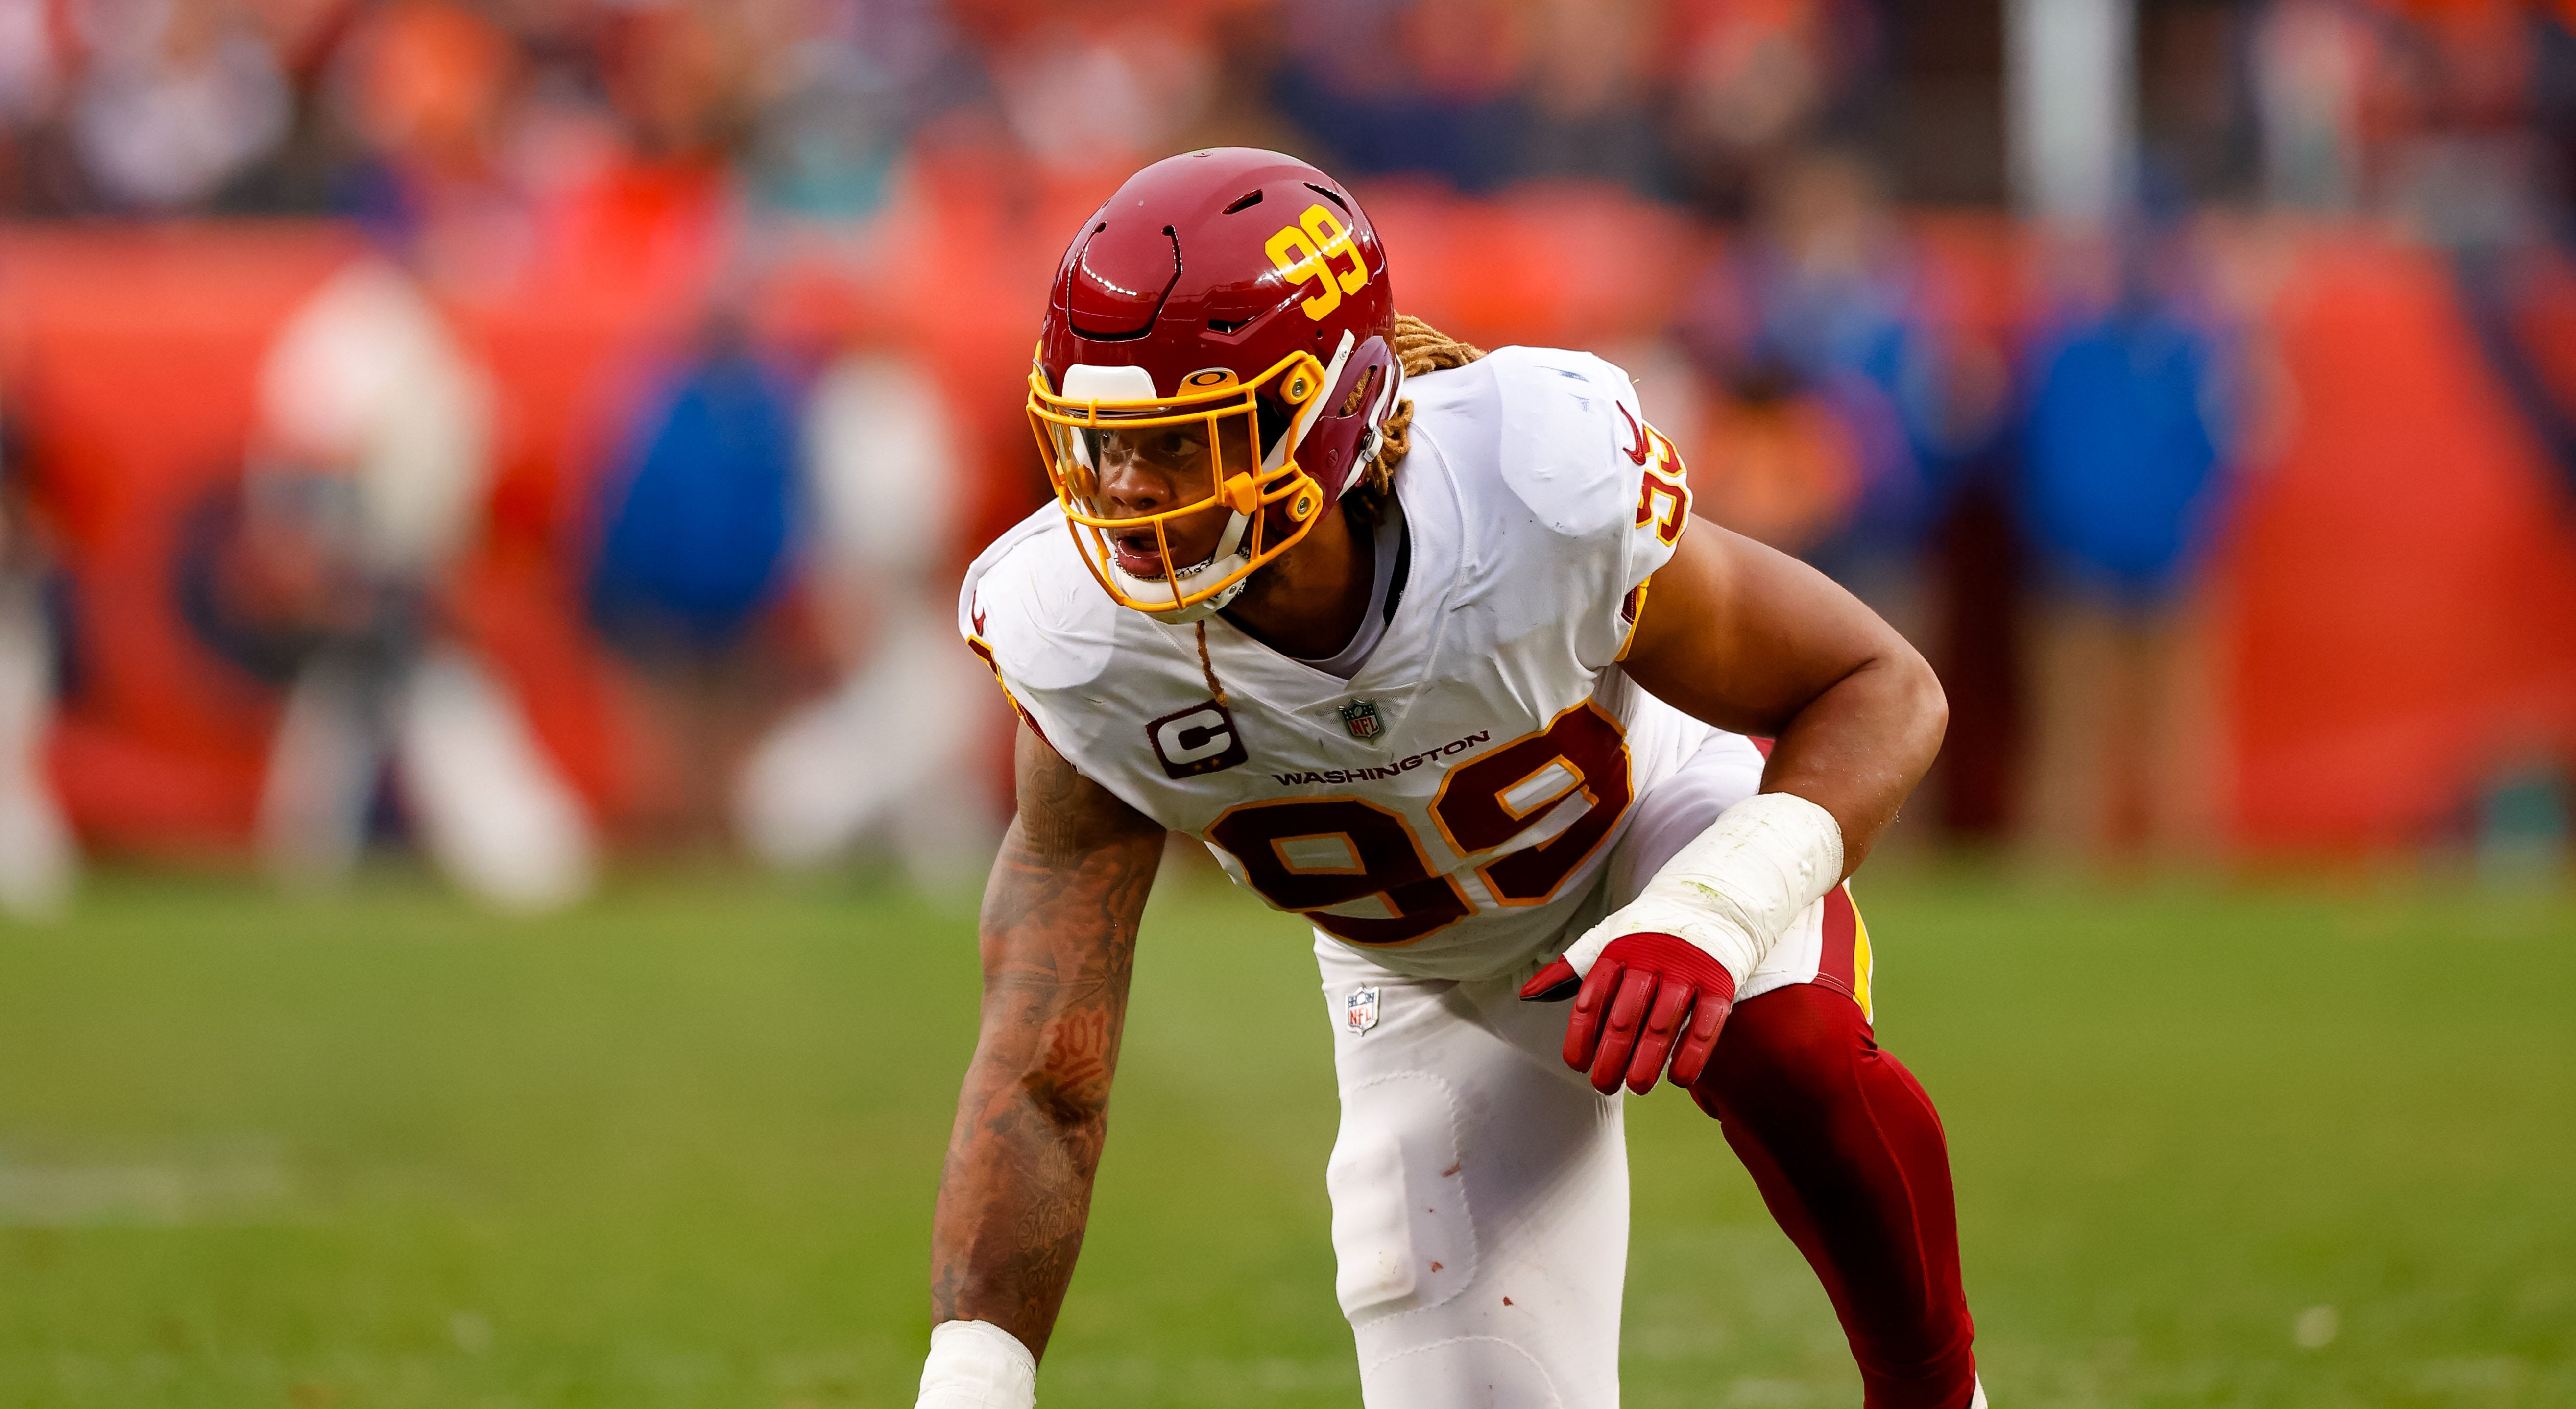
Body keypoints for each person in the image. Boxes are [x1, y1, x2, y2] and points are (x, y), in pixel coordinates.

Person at [922, 148, 1978, 1409]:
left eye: (1183, 446)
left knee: (1785, 1043)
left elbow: (1878, 682)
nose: (1129, 497)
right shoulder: (1080, 634)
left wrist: (1714, 911)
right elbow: (1044, 1070)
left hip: (1653, 832)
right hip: (1428, 980)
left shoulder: (1530, 484)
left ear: (1323, 416)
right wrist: (970, 1383)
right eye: (1100, 447)